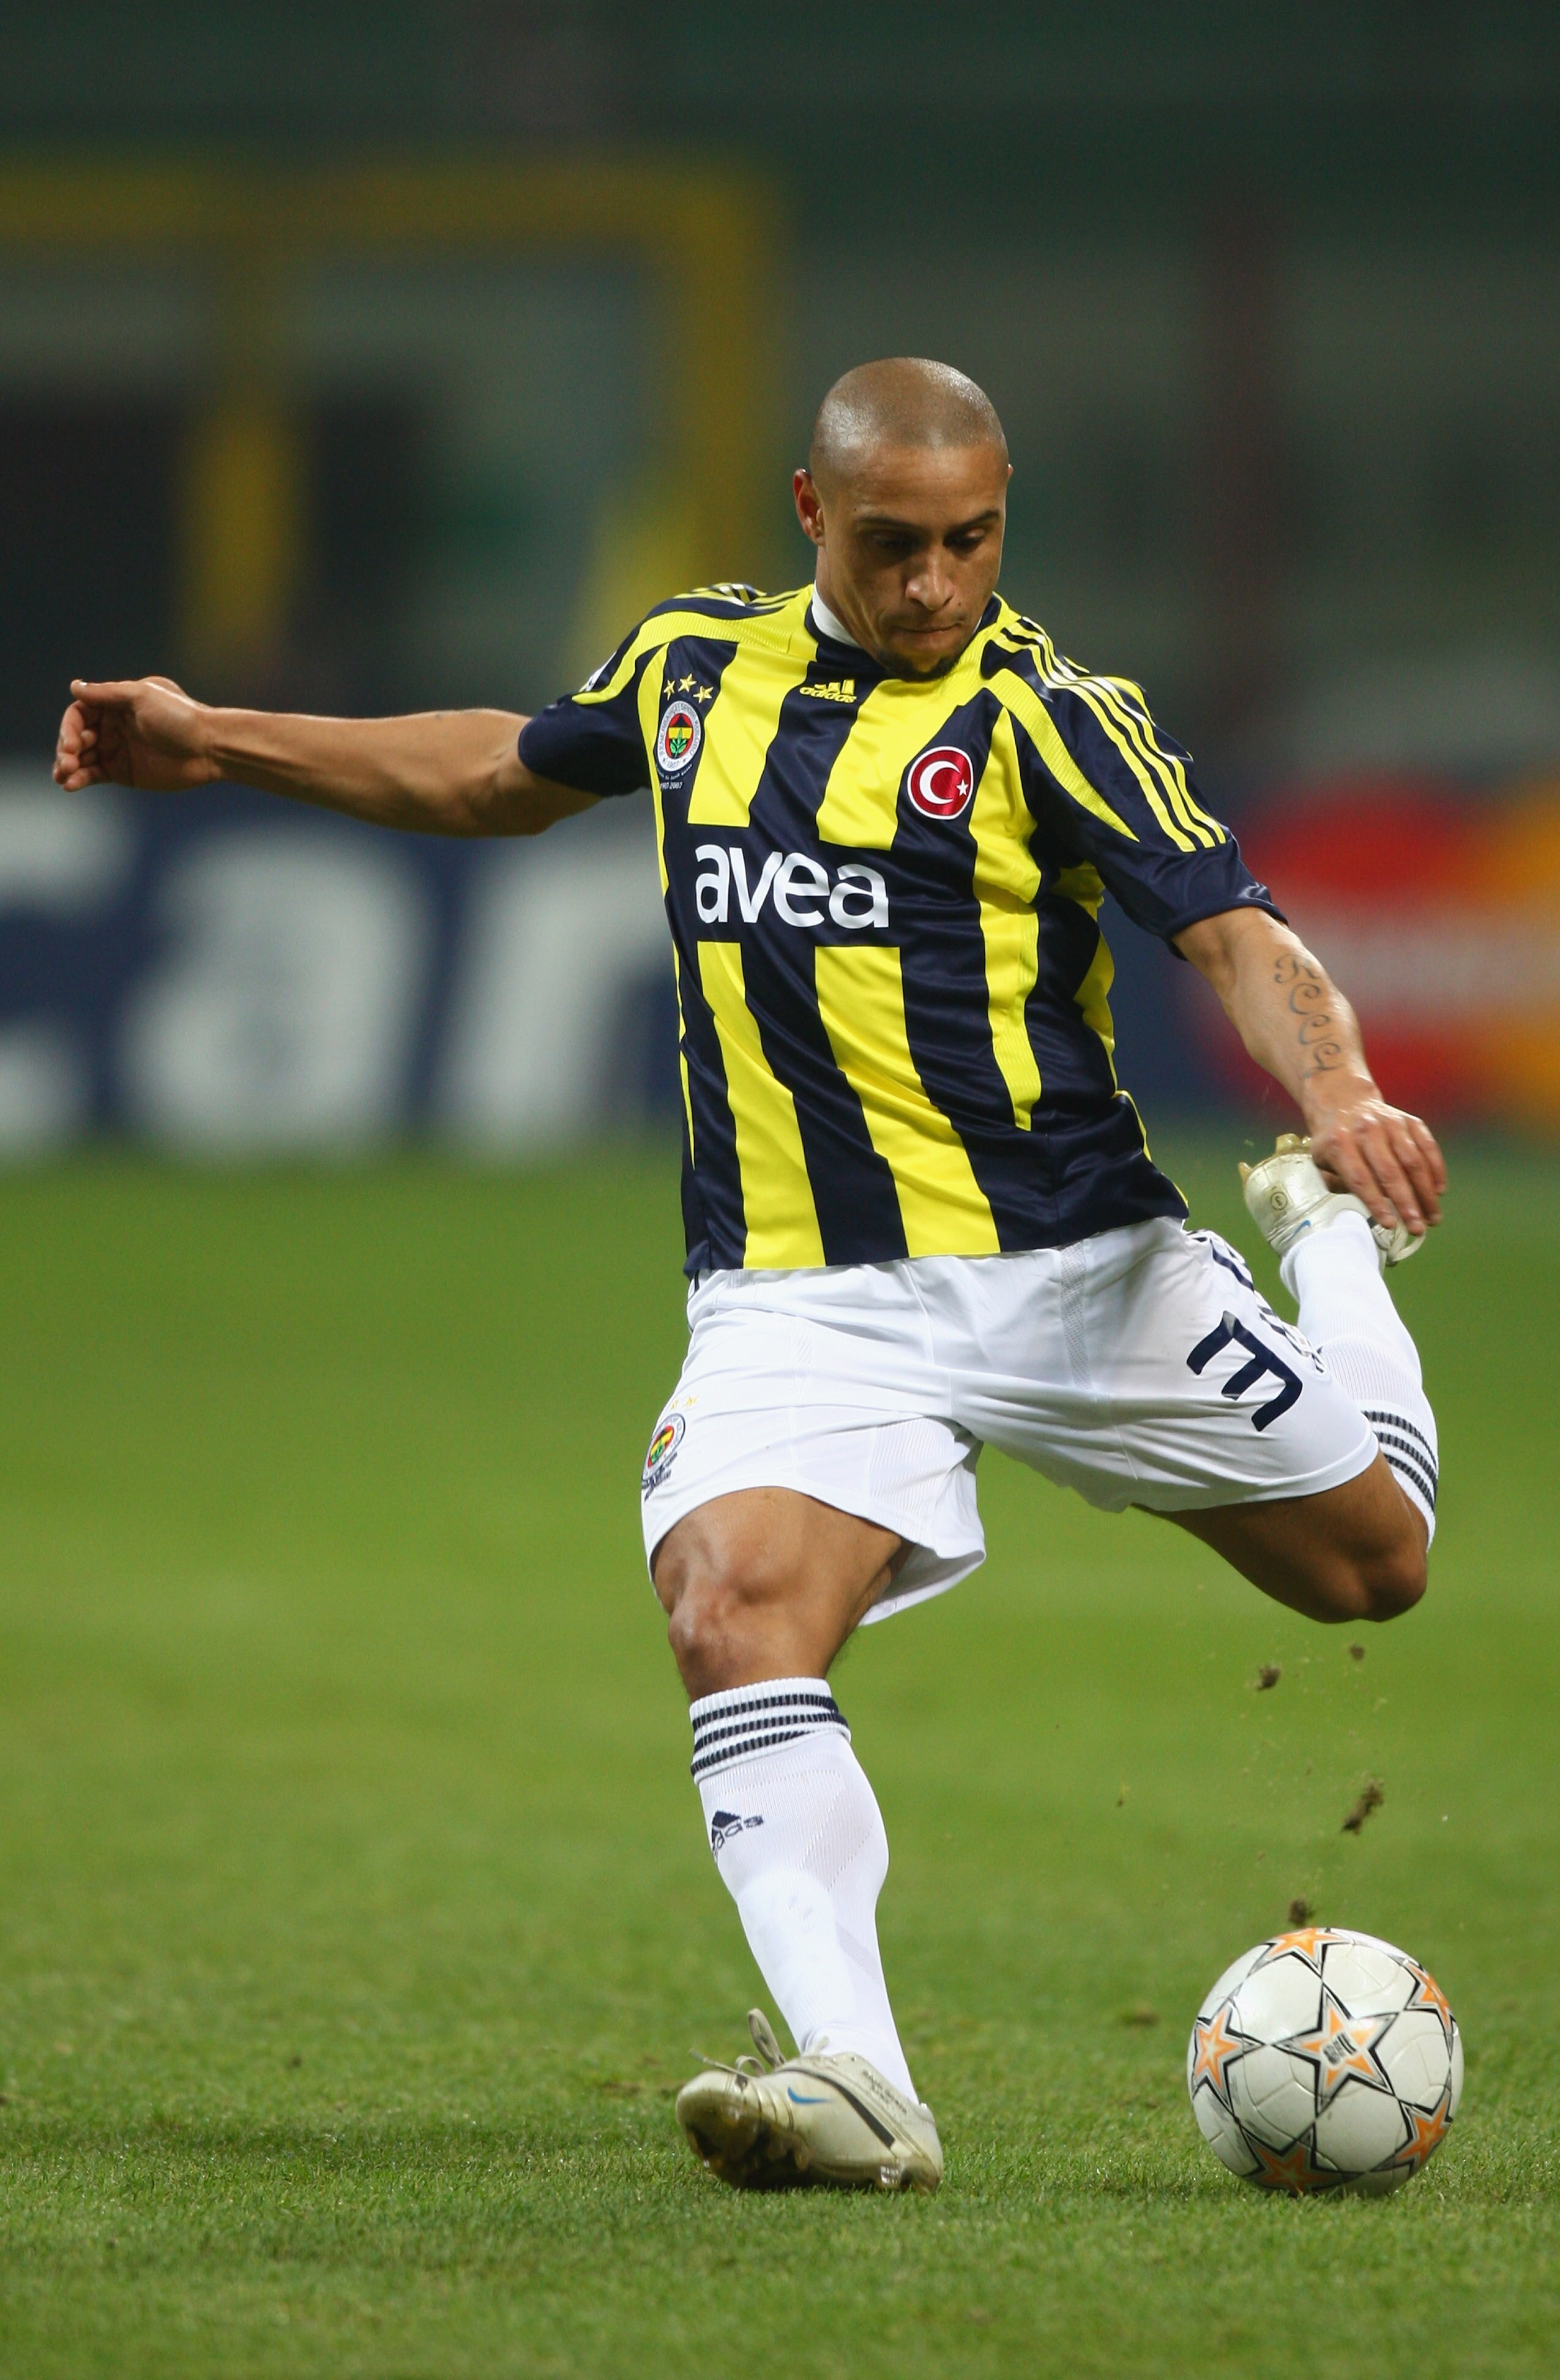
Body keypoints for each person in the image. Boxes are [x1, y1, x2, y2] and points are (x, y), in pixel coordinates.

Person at [54, 356, 1444, 2198]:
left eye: (972, 543)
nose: (938, 583)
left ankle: (1325, 1250)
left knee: (1377, 1567)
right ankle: (858, 2078)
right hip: (800, 1297)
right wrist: (217, 737)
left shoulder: (1053, 713)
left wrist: (1335, 1085)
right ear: (813, 515)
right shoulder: (696, 665)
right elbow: (492, 772)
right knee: (732, 1611)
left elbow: (1234, 932)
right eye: (895, 546)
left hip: (1084, 1272)